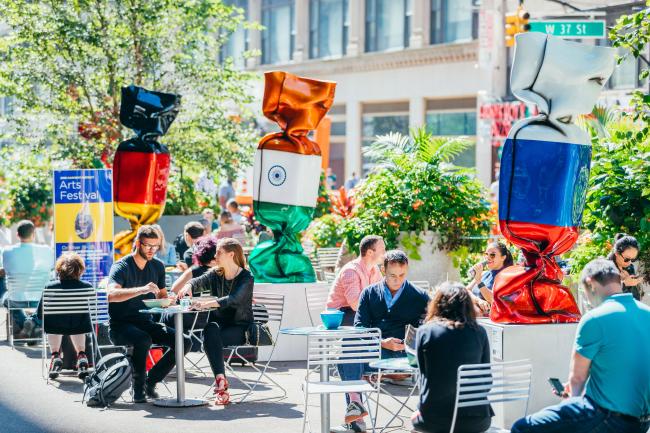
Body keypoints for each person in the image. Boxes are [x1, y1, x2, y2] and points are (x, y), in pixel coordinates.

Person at [511, 258, 650, 433]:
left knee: (522, 428)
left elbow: (577, 379)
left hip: (607, 416)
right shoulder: (647, 313)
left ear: (591, 284)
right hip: (641, 422)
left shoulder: (594, 318)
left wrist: (569, 399)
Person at [333, 250, 430, 433]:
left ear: (407, 270)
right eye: (392, 275)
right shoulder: (369, 293)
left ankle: (356, 417)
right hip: (376, 352)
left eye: (402, 275)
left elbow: (431, 327)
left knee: (348, 358)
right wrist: (381, 342)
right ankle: (356, 411)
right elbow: (360, 327)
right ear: (383, 270)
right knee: (347, 348)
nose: (397, 280)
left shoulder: (420, 296)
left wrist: (410, 343)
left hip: (406, 356)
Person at [106, 225, 190, 403]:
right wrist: (141, 290)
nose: (152, 250)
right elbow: (111, 295)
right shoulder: (122, 266)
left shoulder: (158, 266)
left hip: (146, 322)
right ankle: (138, 388)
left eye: (156, 246)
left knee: (184, 341)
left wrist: (170, 300)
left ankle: (150, 382)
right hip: (121, 325)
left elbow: (162, 296)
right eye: (148, 246)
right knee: (143, 339)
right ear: (138, 243)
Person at [177, 238, 254, 406]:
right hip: (219, 325)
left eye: (219, 252)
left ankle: (221, 387)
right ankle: (221, 381)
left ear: (231, 254)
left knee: (211, 337)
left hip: (240, 328)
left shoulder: (247, 277)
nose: (215, 255)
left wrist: (206, 304)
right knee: (210, 330)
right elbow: (198, 281)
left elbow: (234, 299)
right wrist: (188, 286)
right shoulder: (216, 273)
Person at [411, 281, 493, 433]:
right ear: (467, 306)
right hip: (477, 419)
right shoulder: (479, 332)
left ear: (437, 304)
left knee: (414, 423)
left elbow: (423, 378)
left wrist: (420, 409)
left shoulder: (425, 331)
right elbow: (486, 379)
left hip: (435, 420)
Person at [38, 252, 92, 380]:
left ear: (59, 269)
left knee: (52, 322)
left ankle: (55, 355)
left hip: (55, 328)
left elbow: (40, 313)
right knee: (79, 322)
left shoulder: (50, 287)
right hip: (81, 327)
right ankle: (82, 356)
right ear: (80, 270)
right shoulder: (87, 287)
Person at [2, 220, 54, 337]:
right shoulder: (46, 250)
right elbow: (52, 269)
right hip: (41, 299)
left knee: (5, 298)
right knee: (48, 299)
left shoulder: (7, 252)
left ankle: (26, 322)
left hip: (16, 299)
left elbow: (5, 269)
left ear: (17, 235)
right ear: (33, 234)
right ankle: (34, 323)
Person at [325, 235, 385, 325]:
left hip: (355, 313)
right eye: (383, 250)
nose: (385, 253)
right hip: (339, 315)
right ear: (370, 252)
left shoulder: (375, 269)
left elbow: (382, 295)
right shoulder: (351, 271)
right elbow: (356, 305)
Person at [465, 241, 514, 312]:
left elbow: (495, 300)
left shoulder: (506, 276)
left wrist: (479, 281)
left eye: (492, 255)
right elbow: (466, 291)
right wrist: (478, 301)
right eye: (486, 254)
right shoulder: (483, 274)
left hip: (489, 320)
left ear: (503, 257)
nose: (488, 257)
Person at [608, 233, 644, 301]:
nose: (630, 262)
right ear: (617, 253)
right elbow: (602, 296)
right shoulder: (604, 268)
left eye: (633, 259)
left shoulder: (629, 267)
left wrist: (633, 285)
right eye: (627, 259)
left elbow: (635, 298)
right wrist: (624, 284)